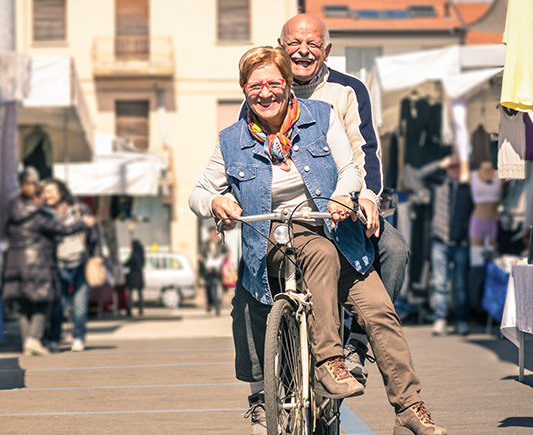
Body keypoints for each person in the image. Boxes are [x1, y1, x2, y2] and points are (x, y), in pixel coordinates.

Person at [190, 46, 445, 435]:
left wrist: (345, 194)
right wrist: (216, 200)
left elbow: (349, 169)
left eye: (273, 83)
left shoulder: (321, 118)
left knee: (379, 310)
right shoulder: (231, 141)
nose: (265, 92)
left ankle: (409, 406)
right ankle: (329, 361)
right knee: (318, 252)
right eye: (255, 85)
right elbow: (197, 194)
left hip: (338, 233)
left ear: (287, 84)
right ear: (245, 90)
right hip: (276, 241)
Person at [271, 13, 411, 382]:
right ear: (280, 47)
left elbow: (366, 150)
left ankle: (358, 344)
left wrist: (367, 197)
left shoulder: (348, 90)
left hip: (342, 208)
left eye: (312, 44)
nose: (302, 52)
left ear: (327, 50)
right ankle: (261, 388)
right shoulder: (264, 90)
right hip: (286, 215)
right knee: (249, 285)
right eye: (294, 44)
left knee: (395, 250)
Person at [1, 168, 94, 356]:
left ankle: (27, 342)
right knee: (43, 301)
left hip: (14, 263)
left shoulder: (13, 210)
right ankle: (34, 339)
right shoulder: (37, 215)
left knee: (25, 305)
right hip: (37, 264)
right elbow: (62, 229)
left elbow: (4, 232)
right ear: (36, 198)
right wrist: (83, 223)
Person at [414, 155, 474, 336]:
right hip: (439, 240)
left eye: (457, 167)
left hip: (460, 242)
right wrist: (441, 162)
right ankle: (440, 319)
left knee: (460, 284)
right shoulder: (439, 184)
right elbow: (420, 175)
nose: (454, 170)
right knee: (439, 284)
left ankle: (461, 320)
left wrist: (466, 237)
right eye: (451, 166)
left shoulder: (468, 187)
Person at [41, 179, 100, 353]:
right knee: (59, 305)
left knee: (80, 305)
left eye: (51, 190)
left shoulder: (79, 209)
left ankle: (78, 337)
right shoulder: (44, 213)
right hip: (57, 263)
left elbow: (94, 232)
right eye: (45, 191)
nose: (48, 195)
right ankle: (54, 338)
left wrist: (97, 254)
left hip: (81, 261)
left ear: (61, 192)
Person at [469, 161, 502, 250]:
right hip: (478, 221)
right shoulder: (472, 175)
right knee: (476, 257)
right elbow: (462, 178)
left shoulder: (500, 174)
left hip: (495, 221)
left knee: (495, 256)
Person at [198, 231, 227, 313]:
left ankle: (219, 301)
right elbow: (201, 251)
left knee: (220, 283)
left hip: (218, 267)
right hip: (209, 267)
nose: (212, 236)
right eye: (211, 234)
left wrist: (228, 255)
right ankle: (209, 303)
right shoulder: (206, 243)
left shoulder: (220, 243)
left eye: (214, 234)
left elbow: (226, 250)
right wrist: (200, 256)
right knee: (208, 285)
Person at [124, 239, 146, 316]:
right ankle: (140, 309)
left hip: (133, 274)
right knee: (139, 294)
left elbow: (129, 262)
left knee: (130, 293)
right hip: (139, 274)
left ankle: (129, 309)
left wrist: (124, 264)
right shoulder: (141, 253)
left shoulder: (134, 253)